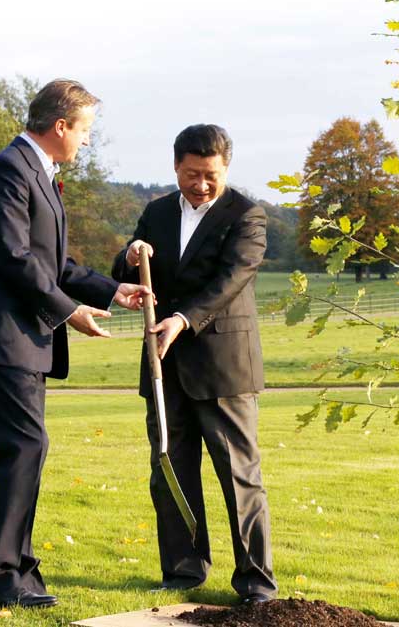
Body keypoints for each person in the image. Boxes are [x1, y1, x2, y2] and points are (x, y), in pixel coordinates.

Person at [0, 79, 148, 610]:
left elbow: (53, 264)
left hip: (21, 342)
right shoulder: (7, 172)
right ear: (60, 126)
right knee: (23, 449)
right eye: (85, 131)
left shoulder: (38, 174)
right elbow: (14, 259)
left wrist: (111, 289)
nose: (86, 141)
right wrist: (70, 311)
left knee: (28, 451)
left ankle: (19, 568)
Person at [112, 124, 278, 604]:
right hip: (163, 365)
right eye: (191, 174)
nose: (200, 184)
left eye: (210, 175)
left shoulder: (247, 215)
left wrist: (184, 319)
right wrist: (130, 253)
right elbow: (124, 272)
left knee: (238, 475)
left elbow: (232, 278)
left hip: (223, 366)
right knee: (170, 470)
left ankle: (255, 582)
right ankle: (183, 572)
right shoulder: (156, 212)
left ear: (225, 167)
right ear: (176, 166)